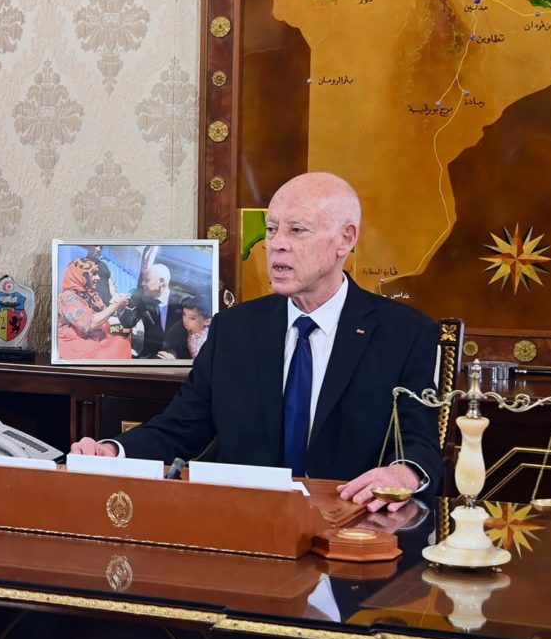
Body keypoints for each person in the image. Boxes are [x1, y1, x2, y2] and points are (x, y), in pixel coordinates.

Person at [72, 172, 441, 512]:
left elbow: (419, 444)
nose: (276, 245)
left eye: (297, 230)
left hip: (351, 527)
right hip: (245, 525)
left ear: (346, 239)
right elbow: (182, 427)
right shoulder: (234, 329)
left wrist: (405, 473)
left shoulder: (405, 334)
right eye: (271, 229)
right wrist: (114, 451)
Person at [55, 250, 133, 361]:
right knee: (108, 353)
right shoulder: (67, 297)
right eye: (93, 274)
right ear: (80, 275)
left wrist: (120, 306)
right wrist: (115, 306)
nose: (98, 278)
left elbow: (105, 317)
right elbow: (89, 324)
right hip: (76, 343)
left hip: (94, 338)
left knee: (123, 341)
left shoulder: (92, 295)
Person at [115, 256, 180, 358]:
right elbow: (128, 323)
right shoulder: (144, 301)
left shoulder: (180, 304)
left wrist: (175, 358)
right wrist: (120, 308)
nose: (142, 283)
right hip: (148, 357)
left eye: (147, 280)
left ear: (161, 282)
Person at [162, 295, 211, 360]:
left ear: (207, 321)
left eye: (192, 318)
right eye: (184, 314)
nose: (186, 320)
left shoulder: (207, 339)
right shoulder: (180, 330)